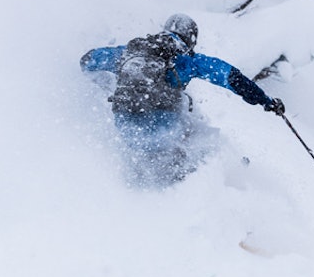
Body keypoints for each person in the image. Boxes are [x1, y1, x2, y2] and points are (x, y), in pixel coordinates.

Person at [80, 13, 285, 186]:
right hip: (163, 128)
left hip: (126, 124)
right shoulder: (189, 61)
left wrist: (106, 85)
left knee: (139, 160)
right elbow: (232, 77)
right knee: (190, 122)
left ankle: (131, 193)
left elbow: (88, 60)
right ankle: (219, 169)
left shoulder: (130, 51)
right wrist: (265, 100)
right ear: (191, 39)